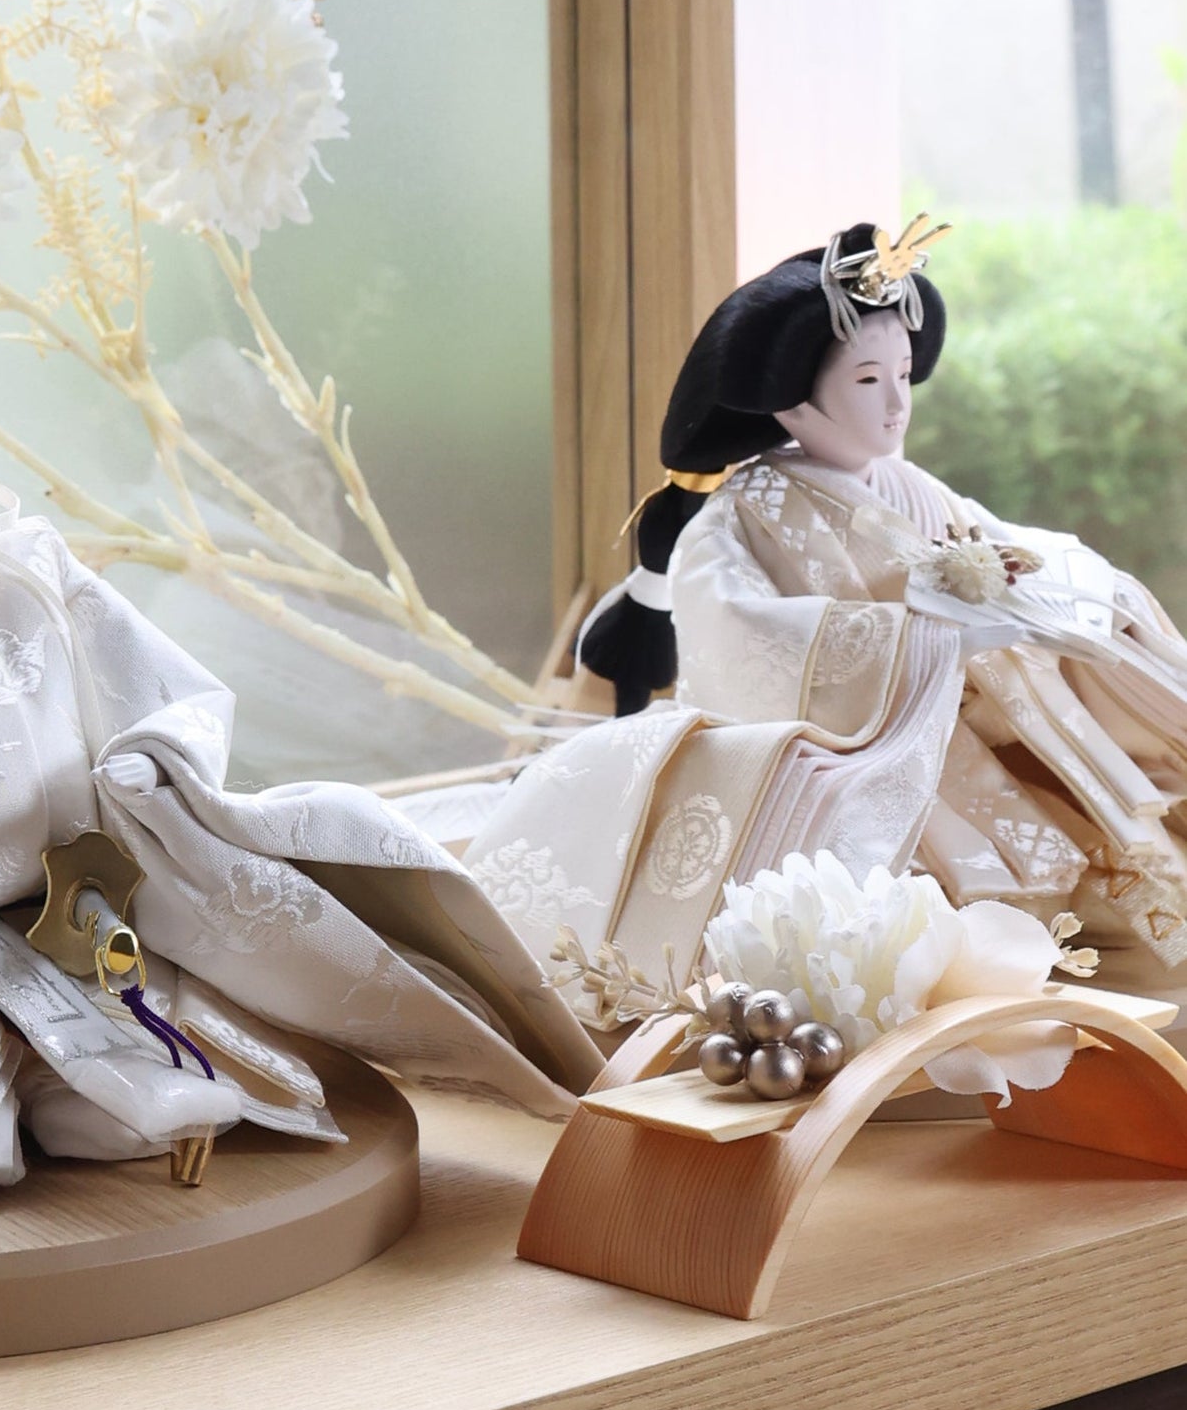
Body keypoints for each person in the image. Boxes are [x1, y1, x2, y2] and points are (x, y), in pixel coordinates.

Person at [0, 134, 601, 1237]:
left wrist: (147, 758)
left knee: (142, 1045)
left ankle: (86, 1083)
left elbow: (157, 683)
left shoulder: (9, 558)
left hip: (53, 899)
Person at [466, 219, 1187, 1001]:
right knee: (906, 927)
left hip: (949, 729)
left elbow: (999, 548)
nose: (897, 404)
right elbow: (737, 637)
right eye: (869, 381)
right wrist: (925, 643)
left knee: (1093, 835)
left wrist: (1068, 592)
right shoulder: (737, 516)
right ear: (792, 402)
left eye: (903, 375)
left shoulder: (911, 488)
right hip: (868, 751)